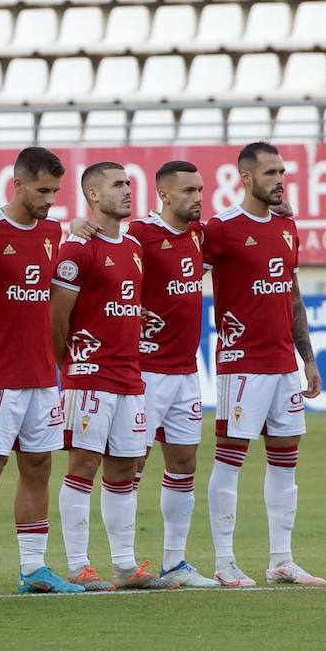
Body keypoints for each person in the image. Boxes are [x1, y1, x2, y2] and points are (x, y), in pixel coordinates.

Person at [0, 147, 82, 595]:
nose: (50, 200)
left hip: (41, 372)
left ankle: (33, 568)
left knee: (39, 466)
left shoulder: (52, 231)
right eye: (42, 190)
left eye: (55, 191)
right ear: (19, 185)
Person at [204, 142, 325, 588]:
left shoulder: (287, 227)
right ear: (246, 177)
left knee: (286, 461)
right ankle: (224, 561)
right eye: (270, 173)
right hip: (241, 363)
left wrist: (307, 357)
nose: (279, 180)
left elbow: (292, 294)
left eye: (282, 172)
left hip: (283, 364)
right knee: (230, 460)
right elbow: (179, 273)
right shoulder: (221, 229)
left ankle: (281, 561)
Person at [52, 162, 175, 592]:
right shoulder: (78, 249)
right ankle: (78, 565)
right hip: (89, 376)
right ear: (93, 194)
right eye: (117, 184)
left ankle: (124, 565)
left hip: (129, 377)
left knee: (125, 468)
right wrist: (67, 366)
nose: (127, 190)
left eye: (129, 183)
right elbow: (57, 317)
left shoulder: (134, 247)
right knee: (83, 465)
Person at [125, 160, 220, 588]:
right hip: (145, 372)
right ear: (164, 194)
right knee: (131, 465)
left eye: (200, 190)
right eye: (188, 191)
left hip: (186, 371)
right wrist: (77, 228)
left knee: (184, 463)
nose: (198, 198)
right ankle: (124, 562)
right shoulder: (140, 235)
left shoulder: (200, 235)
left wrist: (279, 213)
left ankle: (174, 561)